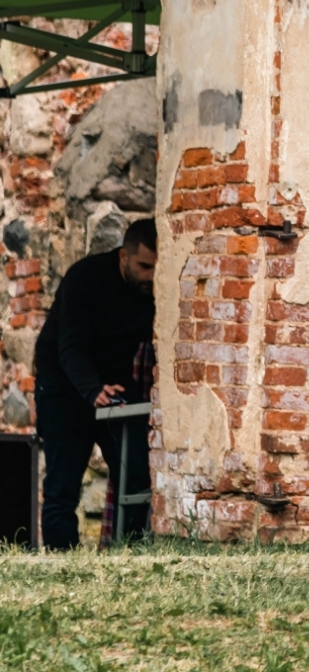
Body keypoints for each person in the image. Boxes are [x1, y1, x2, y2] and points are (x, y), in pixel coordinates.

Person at [33, 218, 157, 550]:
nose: (151, 276)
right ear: (123, 256)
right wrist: (92, 390)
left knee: (136, 477)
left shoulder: (152, 291)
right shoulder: (85, 278)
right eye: (144, 266)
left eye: (156, 268)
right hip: (63, 387)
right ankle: (63, 565)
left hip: (114, 386)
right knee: (62, 486)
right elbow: (69, 347)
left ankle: (132, 554)